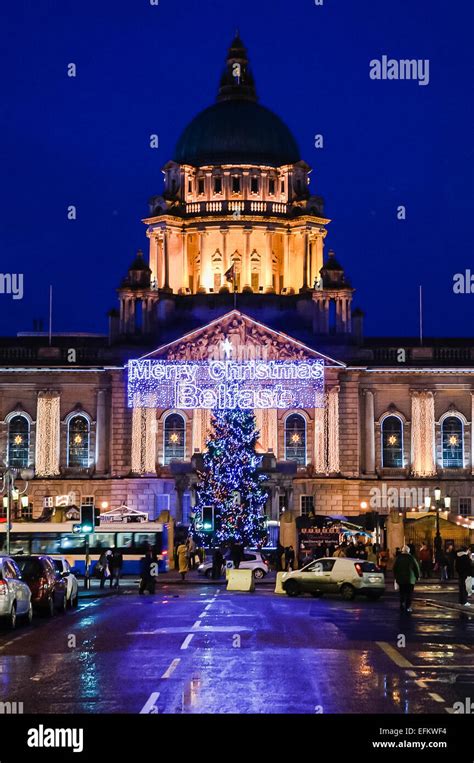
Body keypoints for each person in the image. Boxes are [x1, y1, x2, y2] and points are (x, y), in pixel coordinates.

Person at [393, 545, 421, 614]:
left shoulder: (398, 558)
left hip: (401, 579)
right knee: (409, 594)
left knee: (402, 592)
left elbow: (394, 568)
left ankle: (402, 604)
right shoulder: (411, 558)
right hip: (410, 579)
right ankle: (408, 606)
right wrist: (417, 576)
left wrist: (396, 576)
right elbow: (416, 568)